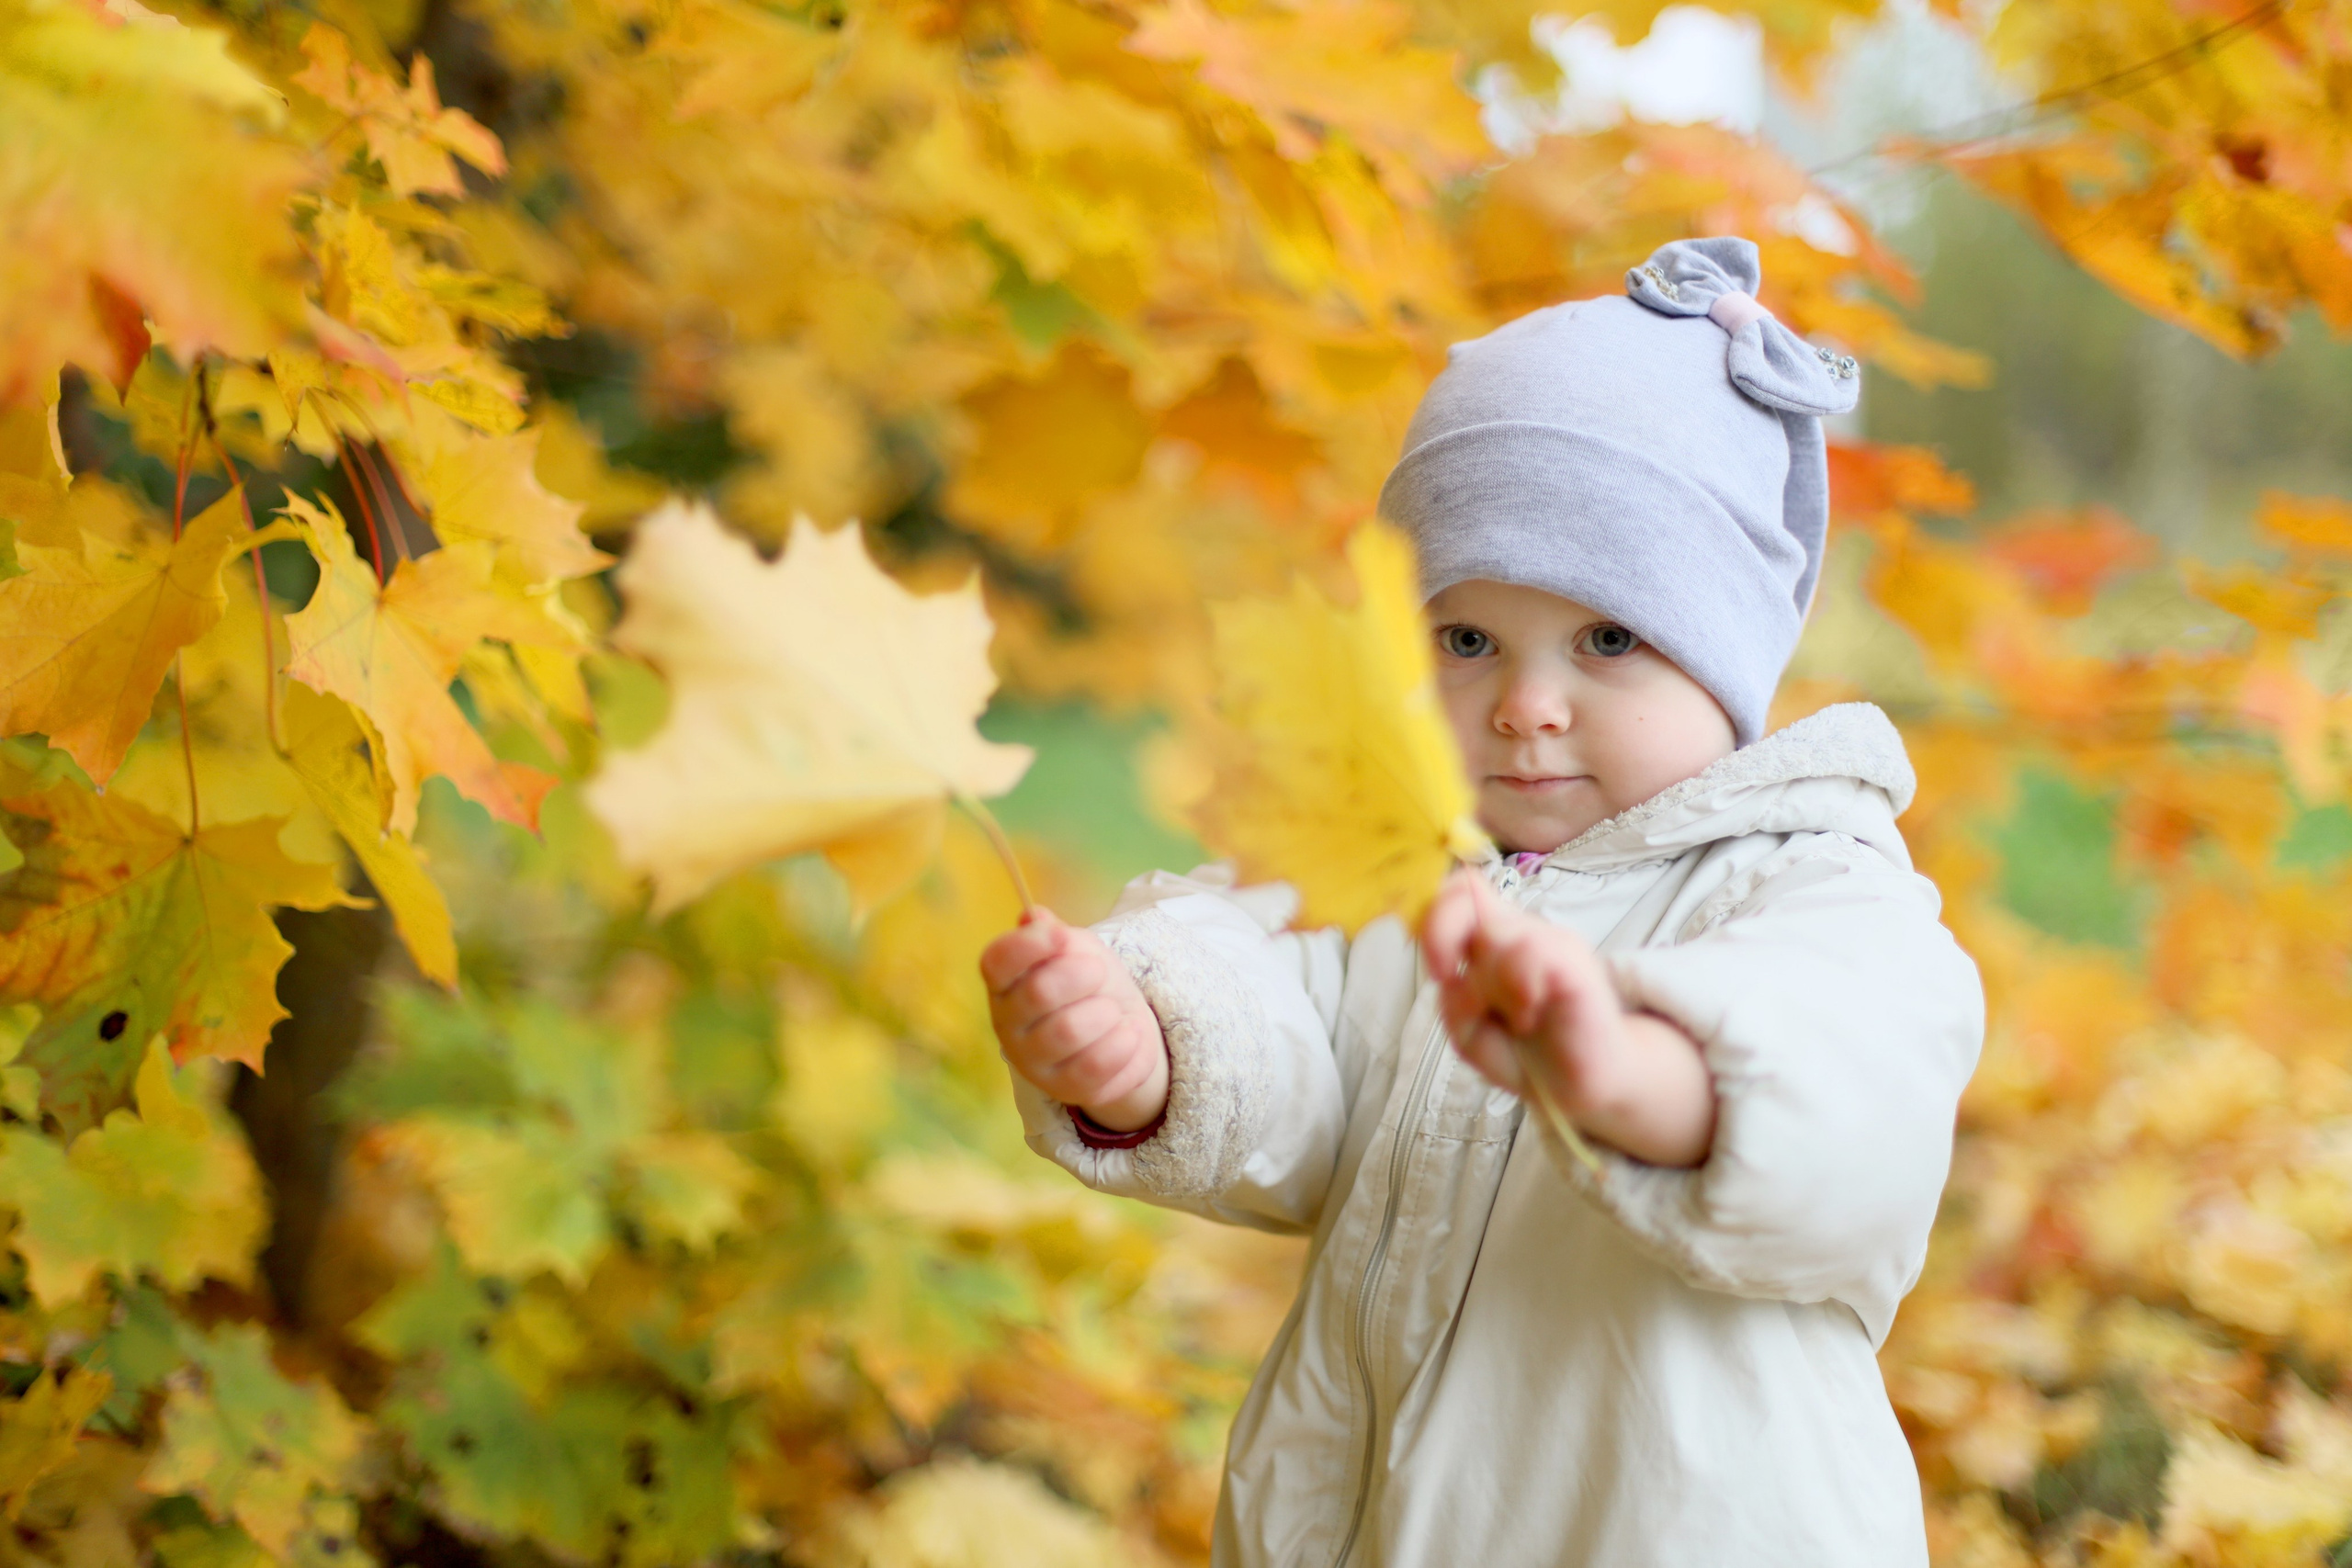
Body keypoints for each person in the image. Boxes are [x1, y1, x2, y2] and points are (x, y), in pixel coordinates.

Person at [978, 237, 1984, 1568]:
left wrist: (1634, 1071)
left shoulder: (1811, 884)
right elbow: (1270, 975)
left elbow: (1848, 1094)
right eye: (1467, 641)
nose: (1525, 705)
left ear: (1730, 659)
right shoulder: (1414, 874)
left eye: (1608, 640)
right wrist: (1144, 1038)